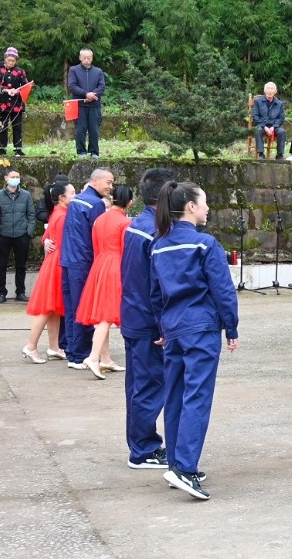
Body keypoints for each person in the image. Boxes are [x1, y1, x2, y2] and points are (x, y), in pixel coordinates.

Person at [149, 182, 239, 500]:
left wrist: (162, 326)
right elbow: (223, 290)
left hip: (173, 328)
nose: (207, 208)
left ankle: (177, 463)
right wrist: (232, 327)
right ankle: (185, 469)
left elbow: (155, 293)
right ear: (190, 207)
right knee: (197, 396)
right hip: (200, 328)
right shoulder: (205, 244)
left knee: (174, 396)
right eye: (204, 202)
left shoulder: (159, 245)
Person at [119, 166, 175, 471]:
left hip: (133, 314)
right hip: (147, 320)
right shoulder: (155, 232)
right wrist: (164, 323)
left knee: (137, 385)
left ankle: (141, 444)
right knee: (149, 386)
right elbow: (157, 285)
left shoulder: (137, 225)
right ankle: (143, 449)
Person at [77, 185, 132, 379]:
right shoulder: (125, 222)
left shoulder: (99, 219)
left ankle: (105, 359)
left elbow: (95, 245)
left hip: (99, 264)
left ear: (113, 198)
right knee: (107, 315)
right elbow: (126, 251)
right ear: (129, 203)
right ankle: (94, 357)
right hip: (115, 266)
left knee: (102, 313)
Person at [61, 169, 114, 369]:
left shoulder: (76, 200)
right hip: (83, 262)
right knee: (84, 308)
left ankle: (71, 351)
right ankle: (80, 354)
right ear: (95, 180)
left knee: (71, 309)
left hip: (68, 259)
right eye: (108, 182)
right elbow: (99, 233)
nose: (110, 187)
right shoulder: (96, 204)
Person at [23, 181, 73, 364]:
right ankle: (31, 346)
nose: (75, 196)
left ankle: (54, 347)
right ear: (62, 197)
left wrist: (46, 241)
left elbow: (47, 236)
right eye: (72, 193)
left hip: (54, 261)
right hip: (58, 263)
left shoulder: (57, 213)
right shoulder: (62, 216)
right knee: (47, 308)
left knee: (53, 308)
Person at [0, 170, 37, 303]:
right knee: (1, 265)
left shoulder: (26, 195)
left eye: (17, 177)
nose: (15, 179)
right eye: (13, 177)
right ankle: (2, 293)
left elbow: (31, 215)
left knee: (21, 265)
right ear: (6, 178)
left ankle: (20, 292)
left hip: (22, 234)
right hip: (3, 235)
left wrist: (29, 232)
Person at [67, 48, 107, 158]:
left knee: (94, 129)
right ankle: (81, 152)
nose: (86, 60)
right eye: (84, 58)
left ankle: (94, 152)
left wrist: (92, 95)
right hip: (79, 105)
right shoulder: (73, 70)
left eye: (89, 58)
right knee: (80, 129)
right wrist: (85, 94)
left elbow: (102, 86)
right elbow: (72, 86)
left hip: (94, 105)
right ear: (80, 58)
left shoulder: (98, 71)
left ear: (92, 58)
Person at [0, 47, 30, 156]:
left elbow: (25, 86)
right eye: (9, 60)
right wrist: (5, 90)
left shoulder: (20, 71)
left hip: (16, 103)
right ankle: (2, 149)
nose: (11, 62)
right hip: (2, 102)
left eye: (13, 61)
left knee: (17, 126)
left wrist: (17, 91)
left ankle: (18, 149)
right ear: (5, 59)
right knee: (3, 126)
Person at [251, 82, 288, 160]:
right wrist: (264, 127)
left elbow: (281, 118)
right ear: (264, 90)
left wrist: (273, 127)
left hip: (274, 126)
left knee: (282, 132)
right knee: (258, 130)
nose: (270, 91)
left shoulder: (279, 103)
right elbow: (255, 116)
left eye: (272, 89)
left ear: (275, 91)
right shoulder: (258, 101)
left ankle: (280, 155)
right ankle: (261, 154)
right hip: (261, 125)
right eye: (268, 89)